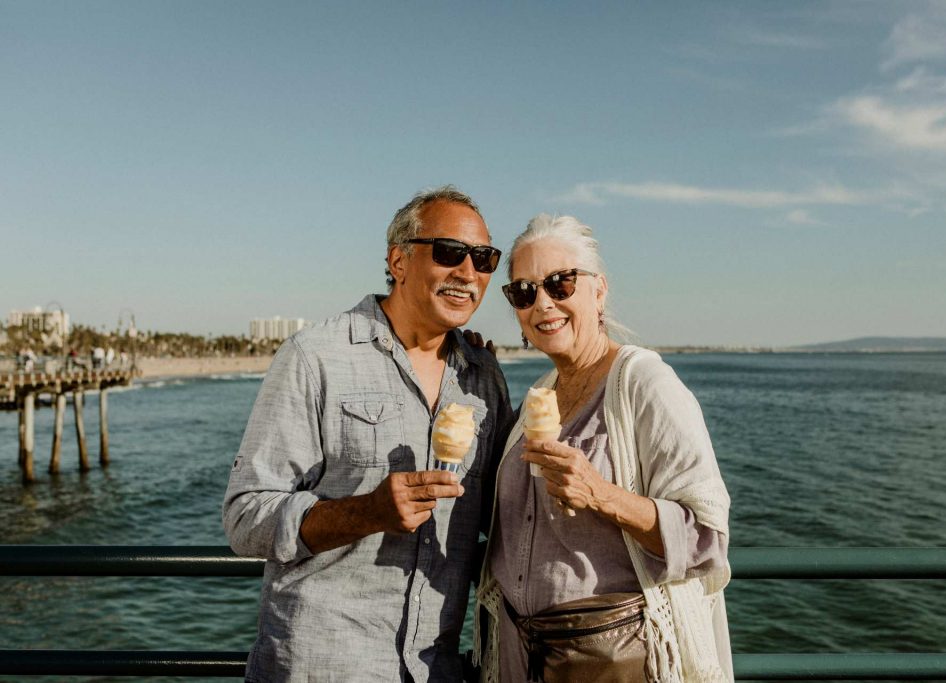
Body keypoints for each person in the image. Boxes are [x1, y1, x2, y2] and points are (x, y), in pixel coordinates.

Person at [223, 186, 513, 682]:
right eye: (449, 252)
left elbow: (502, 513)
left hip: (435, 668)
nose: (468, 273)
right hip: (322, 664)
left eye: (484, 259)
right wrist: (366, 512)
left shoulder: (482, 376)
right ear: (398, 261)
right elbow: (245, 517)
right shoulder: (314, 357)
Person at [474, 214, 733, 682]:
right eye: (524, 292)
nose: (543, 304)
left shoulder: (643, 383)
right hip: (520, 650)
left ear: (599, 290)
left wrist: (600, 494)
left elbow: (707, 537)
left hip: (609, 656)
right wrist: (469, 368)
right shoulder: (541, 392)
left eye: (560, 284)